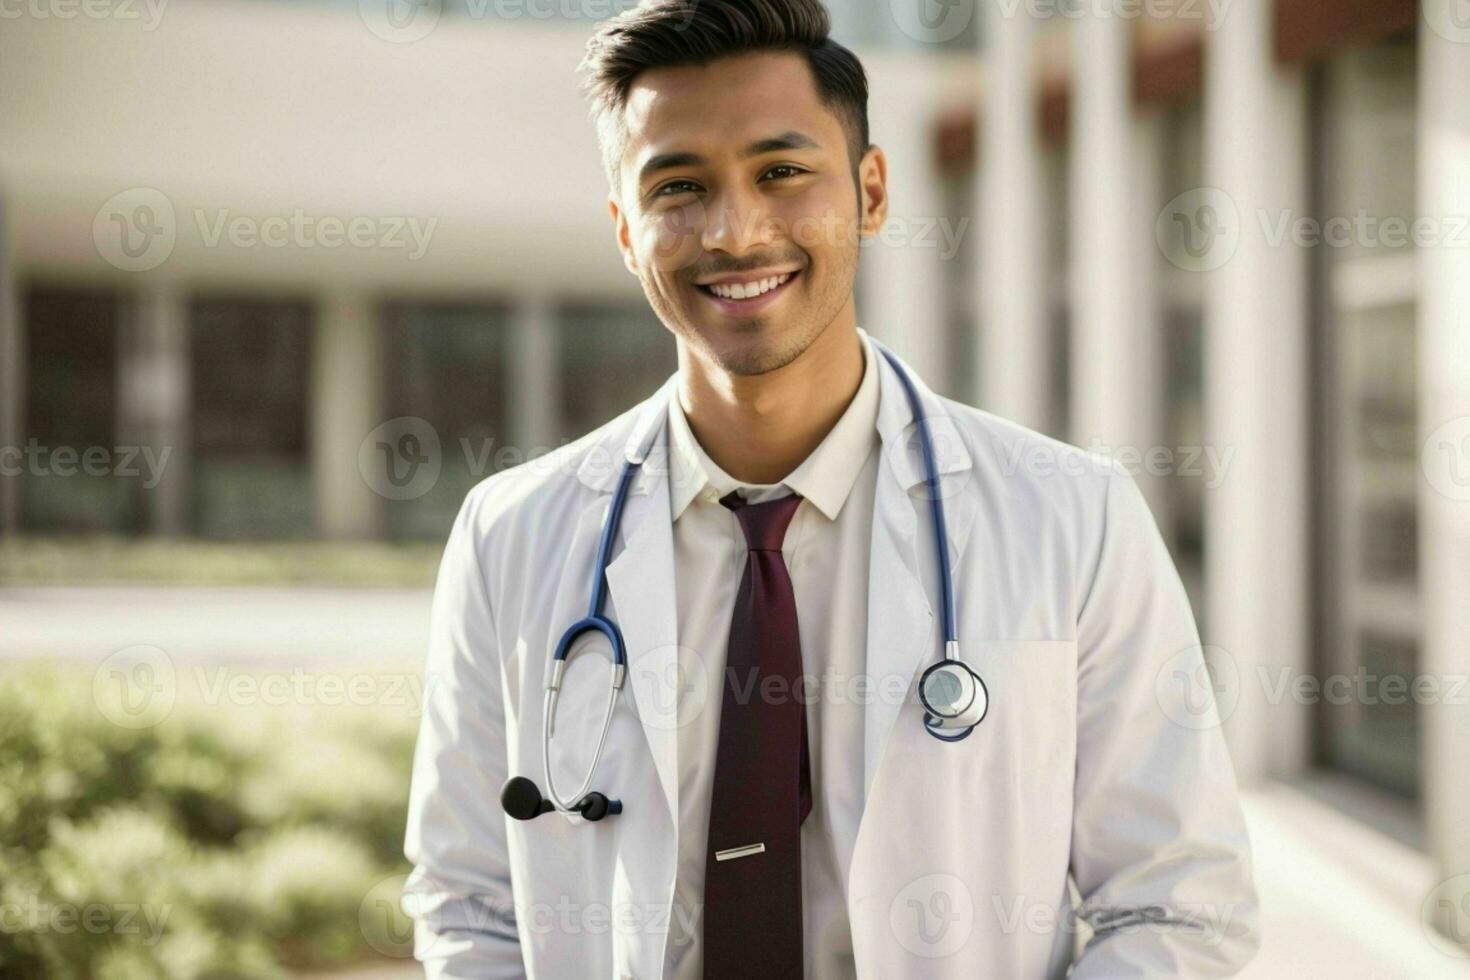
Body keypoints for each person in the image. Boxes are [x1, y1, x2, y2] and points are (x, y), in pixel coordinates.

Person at [402, 0, 1260, 976]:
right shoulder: (509, 534)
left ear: (873, 189)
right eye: (679, 186)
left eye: (782, 172)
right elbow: (467, 901)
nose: (734, 230)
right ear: (626, 231)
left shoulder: (1073, 520)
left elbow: (1179, 903)